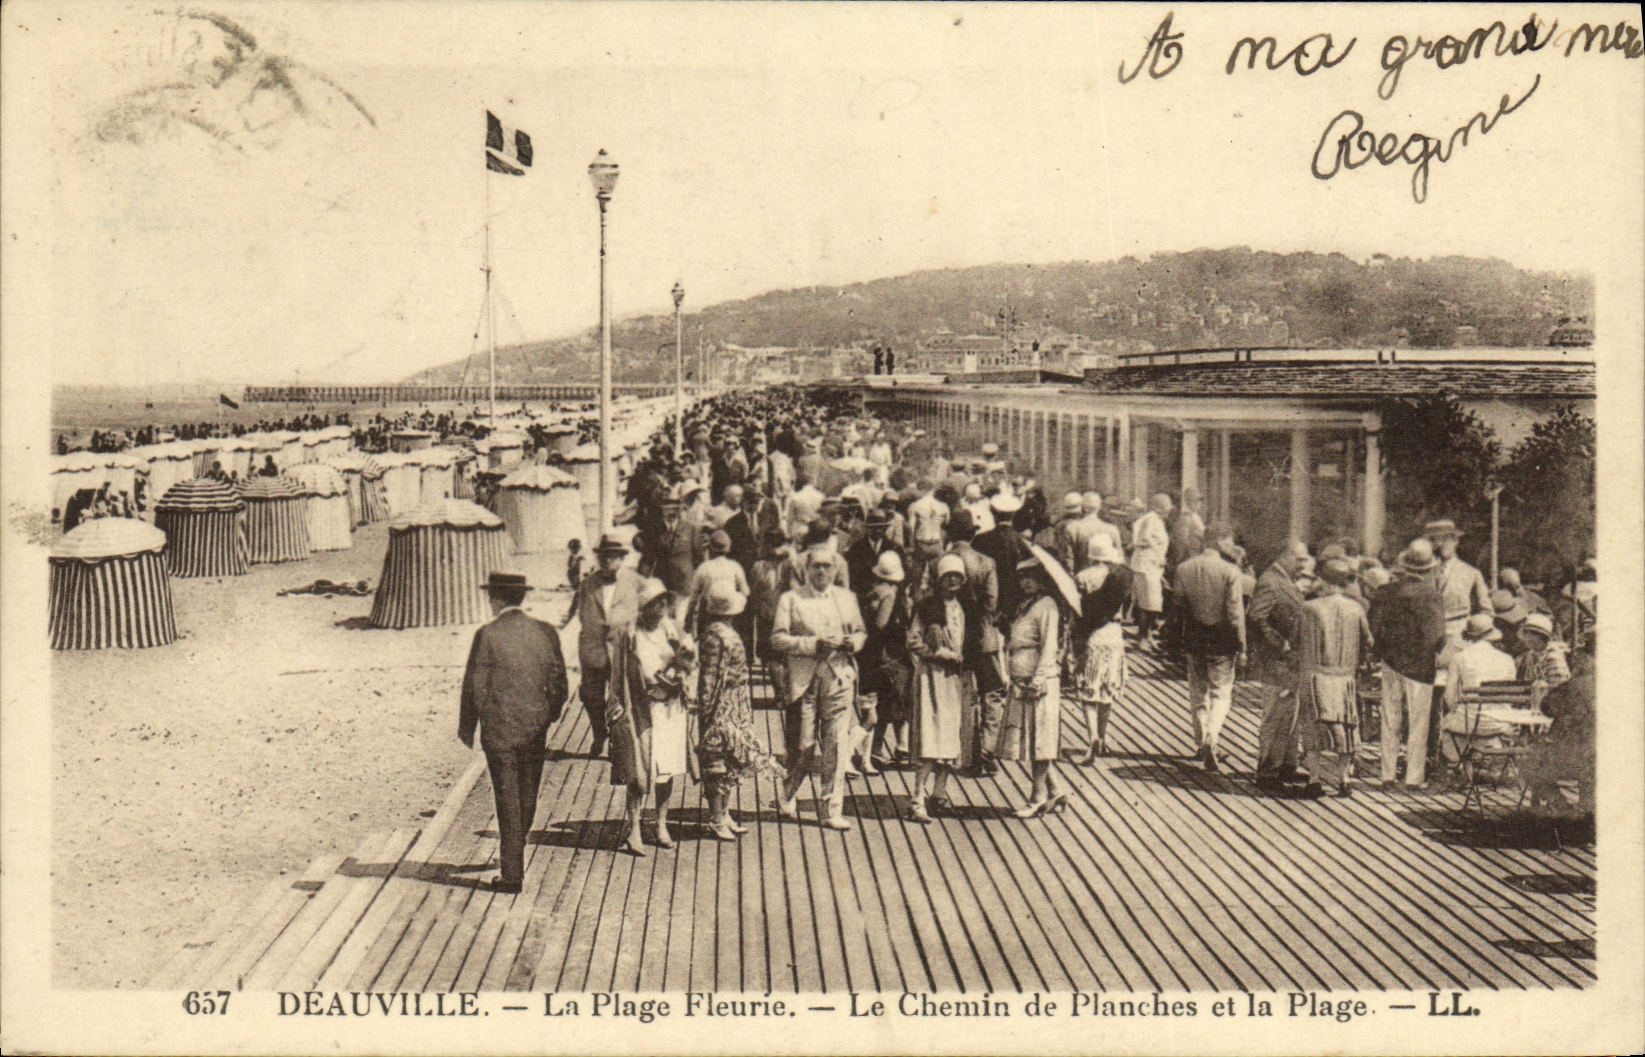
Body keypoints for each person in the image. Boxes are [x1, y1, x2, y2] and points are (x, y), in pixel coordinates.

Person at [459, 572, 570, 893]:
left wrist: (469, 726)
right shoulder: (545, 631)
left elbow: (474, 686)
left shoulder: (487, 634)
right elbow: (559, 680)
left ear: (495, 599)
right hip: (534, 727)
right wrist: (549, 714)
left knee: (507, 798)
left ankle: (511, 874)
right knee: (527, 794)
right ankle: (514, 854)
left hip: (500, 731)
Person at [771, 546, 868, 831]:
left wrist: (853, 643)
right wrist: (812, 644)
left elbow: (860, 631)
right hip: (804, 680)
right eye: (816, 566)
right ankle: (789, 791)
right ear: (806, 569)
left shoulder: (846, 598)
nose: (822, 571)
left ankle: (830, 809)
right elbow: (777, 639)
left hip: (838, 677)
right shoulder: (791, 599)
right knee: (804, 747)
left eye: (827, 566)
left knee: (836, 744)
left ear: (835, 570)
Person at [607, 578, 696, 854]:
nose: (660, 608)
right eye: (655, 603)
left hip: (670, 710)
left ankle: (661, 824)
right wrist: (615, 706)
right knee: (639, 770)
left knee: (665, 771)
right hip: (641, 709)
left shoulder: (673, 630)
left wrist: (681, 678)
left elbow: (689, 664)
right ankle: (634, 829)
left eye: (664, 602)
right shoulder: (629, 635)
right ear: (643, 607)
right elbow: (617, 673)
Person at [694, 582, 779, 841]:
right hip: (721, 706)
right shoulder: (715, 637)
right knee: (717, 761)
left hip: (735, 702)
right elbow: (709, 679)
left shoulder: (722, 633)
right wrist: (708, 712)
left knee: (732, 758)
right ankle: (716, 818)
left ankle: (724, 813)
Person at [1367, 540, 1447, 789]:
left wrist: (1381, 652)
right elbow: (1437, 636)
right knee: (1418, 723)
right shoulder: (1432, 596)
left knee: (1390, 719)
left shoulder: (1385, 592)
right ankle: (1413, 778)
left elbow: (1374, 628)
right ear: (1429, 569)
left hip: (1391, 663)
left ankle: (1387, 775)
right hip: (1420, 667)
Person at [1294, 559, 1374, 798]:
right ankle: (1344, 779)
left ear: (1324, 580)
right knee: (1348, 727)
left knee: (1312, 727)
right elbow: (1368, 641)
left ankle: (1314, 779)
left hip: (1316, 674)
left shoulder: (1310, 608)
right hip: (1345, 677)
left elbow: (1295, 639)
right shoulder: (1356, 608)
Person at [1172, 521, 1246, 773]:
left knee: (1198, 693)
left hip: (1194, 636)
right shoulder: (1230, 571)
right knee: (1221, 693)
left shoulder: (1184, 568)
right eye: (1228, 540)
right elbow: (1235, 613)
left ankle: (1200, 741)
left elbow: (1178, 606)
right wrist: (1242, 645)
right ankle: (1212, 736)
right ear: (1219, 541)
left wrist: (1180, 637)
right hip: (1222, 638)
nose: (1231, 545)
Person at [561, 533, 641, 759]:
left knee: (620, 698)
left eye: (613, 556)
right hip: (593, 650)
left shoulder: (635, 582)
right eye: (604, 556)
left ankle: (617, 742)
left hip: (621, 650)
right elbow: (580, 615)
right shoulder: (588, 584)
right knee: (590, 696)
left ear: (622, 558)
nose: (608, 561)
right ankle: (599, 732)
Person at [1002, 559, 1068, 818]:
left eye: (1032, 577)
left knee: (1039, 740)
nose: (1026, 582)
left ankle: (1037, 797)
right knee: (1033, 737)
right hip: (1022, 678)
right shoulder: (1027, 604)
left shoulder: (1047, 606)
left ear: (1043, 580)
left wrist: (1038, 680)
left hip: (1037, 681)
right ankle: (1055, 791)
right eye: (1022, 578)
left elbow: (1049, 646)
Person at [905, 554, 969, 822]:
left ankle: (939, 795)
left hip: (954, 680)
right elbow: (913, 641)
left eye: (957, 576)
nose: (952, 580)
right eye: (947, 576)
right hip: (931, 678)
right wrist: (937, 653)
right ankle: (917, 799)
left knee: (950, 738)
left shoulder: (965, 608)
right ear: (939, 579)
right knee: (931, 736)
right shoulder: (927, 607)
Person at [1249, 539, 1311, 793]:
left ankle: (1287, 765)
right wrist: (1278, 643)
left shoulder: (1283, 580)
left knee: (1290, 714)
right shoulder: (1271, 581)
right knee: (1276, 715)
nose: (1303, 565)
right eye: (1299, 559)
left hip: (1290, 662)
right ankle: (1267, 771)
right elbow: (1256, 616)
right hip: (1277, 661)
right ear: (1285, 556)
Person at [947, 509, 1005, 774]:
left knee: (961, 695)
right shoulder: (986, 562)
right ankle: (988, 747)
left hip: (954, 638)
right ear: (971, 534)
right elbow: (991, 603)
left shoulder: (943, 562)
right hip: (984, 637)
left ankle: (965, 751)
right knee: (992, 692)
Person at [1071, 537, 1132, 763]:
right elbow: (1126, 608)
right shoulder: (1120, 577)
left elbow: (1077, 609)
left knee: (1089, 689)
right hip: (1114, 634)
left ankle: (1093, 737)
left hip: (1092, 636)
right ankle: (1104, 738)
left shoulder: (1082, 577)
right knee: (1107, 688)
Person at [1438, 613, 1519, 765]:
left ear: (1469, 636)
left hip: (1470, 723)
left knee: (1448, 724)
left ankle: (1456, 762)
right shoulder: (1507, 659)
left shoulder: (1459, 657)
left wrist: (1456, 710)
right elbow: (1510, 697)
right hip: (1499, 723)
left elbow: (1449, 698)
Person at [860, 550, 912, 771]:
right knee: (894, 701)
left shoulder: (873, 591)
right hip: (890, 654)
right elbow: (882, 625)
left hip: (876, 654)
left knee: (885, 703)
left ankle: (879, 749)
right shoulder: (891, 594)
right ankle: (890, 748)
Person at [1424, 518, 1491, 646]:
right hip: (1428, 640)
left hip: (1460, 639)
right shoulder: (1423, 574)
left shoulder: (1471, 573)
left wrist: (1475, 636)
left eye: (1445, 539)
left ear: (1455, 541)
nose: (1439, 544)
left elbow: (1486, 611)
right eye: (1433, 540)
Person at [680, 530, 751, 636]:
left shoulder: (703, 568)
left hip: (709, 614)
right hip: (730, 615)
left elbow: (693, 599)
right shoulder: (735, 566)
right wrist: (734, 599)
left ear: (710, 549)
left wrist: (688, 620)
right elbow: (746, 592)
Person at [1128, 493, 1173, 650]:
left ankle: (1146, 636)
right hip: (1146, 566)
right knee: (1150, 603)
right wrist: (1157, 553)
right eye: (1167, 507)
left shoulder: (1155, 519)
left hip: (1150, 566)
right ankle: (1143, 638)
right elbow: (1142, 538)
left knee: (1150, 603)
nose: (1169, 510)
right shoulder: (1151, 519)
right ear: (1160, 507)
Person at [1515, 612, 1571, 710]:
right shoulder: (1525, 658)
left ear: (1543, 636)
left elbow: (1559, 689)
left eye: (1533, 633)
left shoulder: (1553, 657)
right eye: (1526, 633)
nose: (1528, 637)